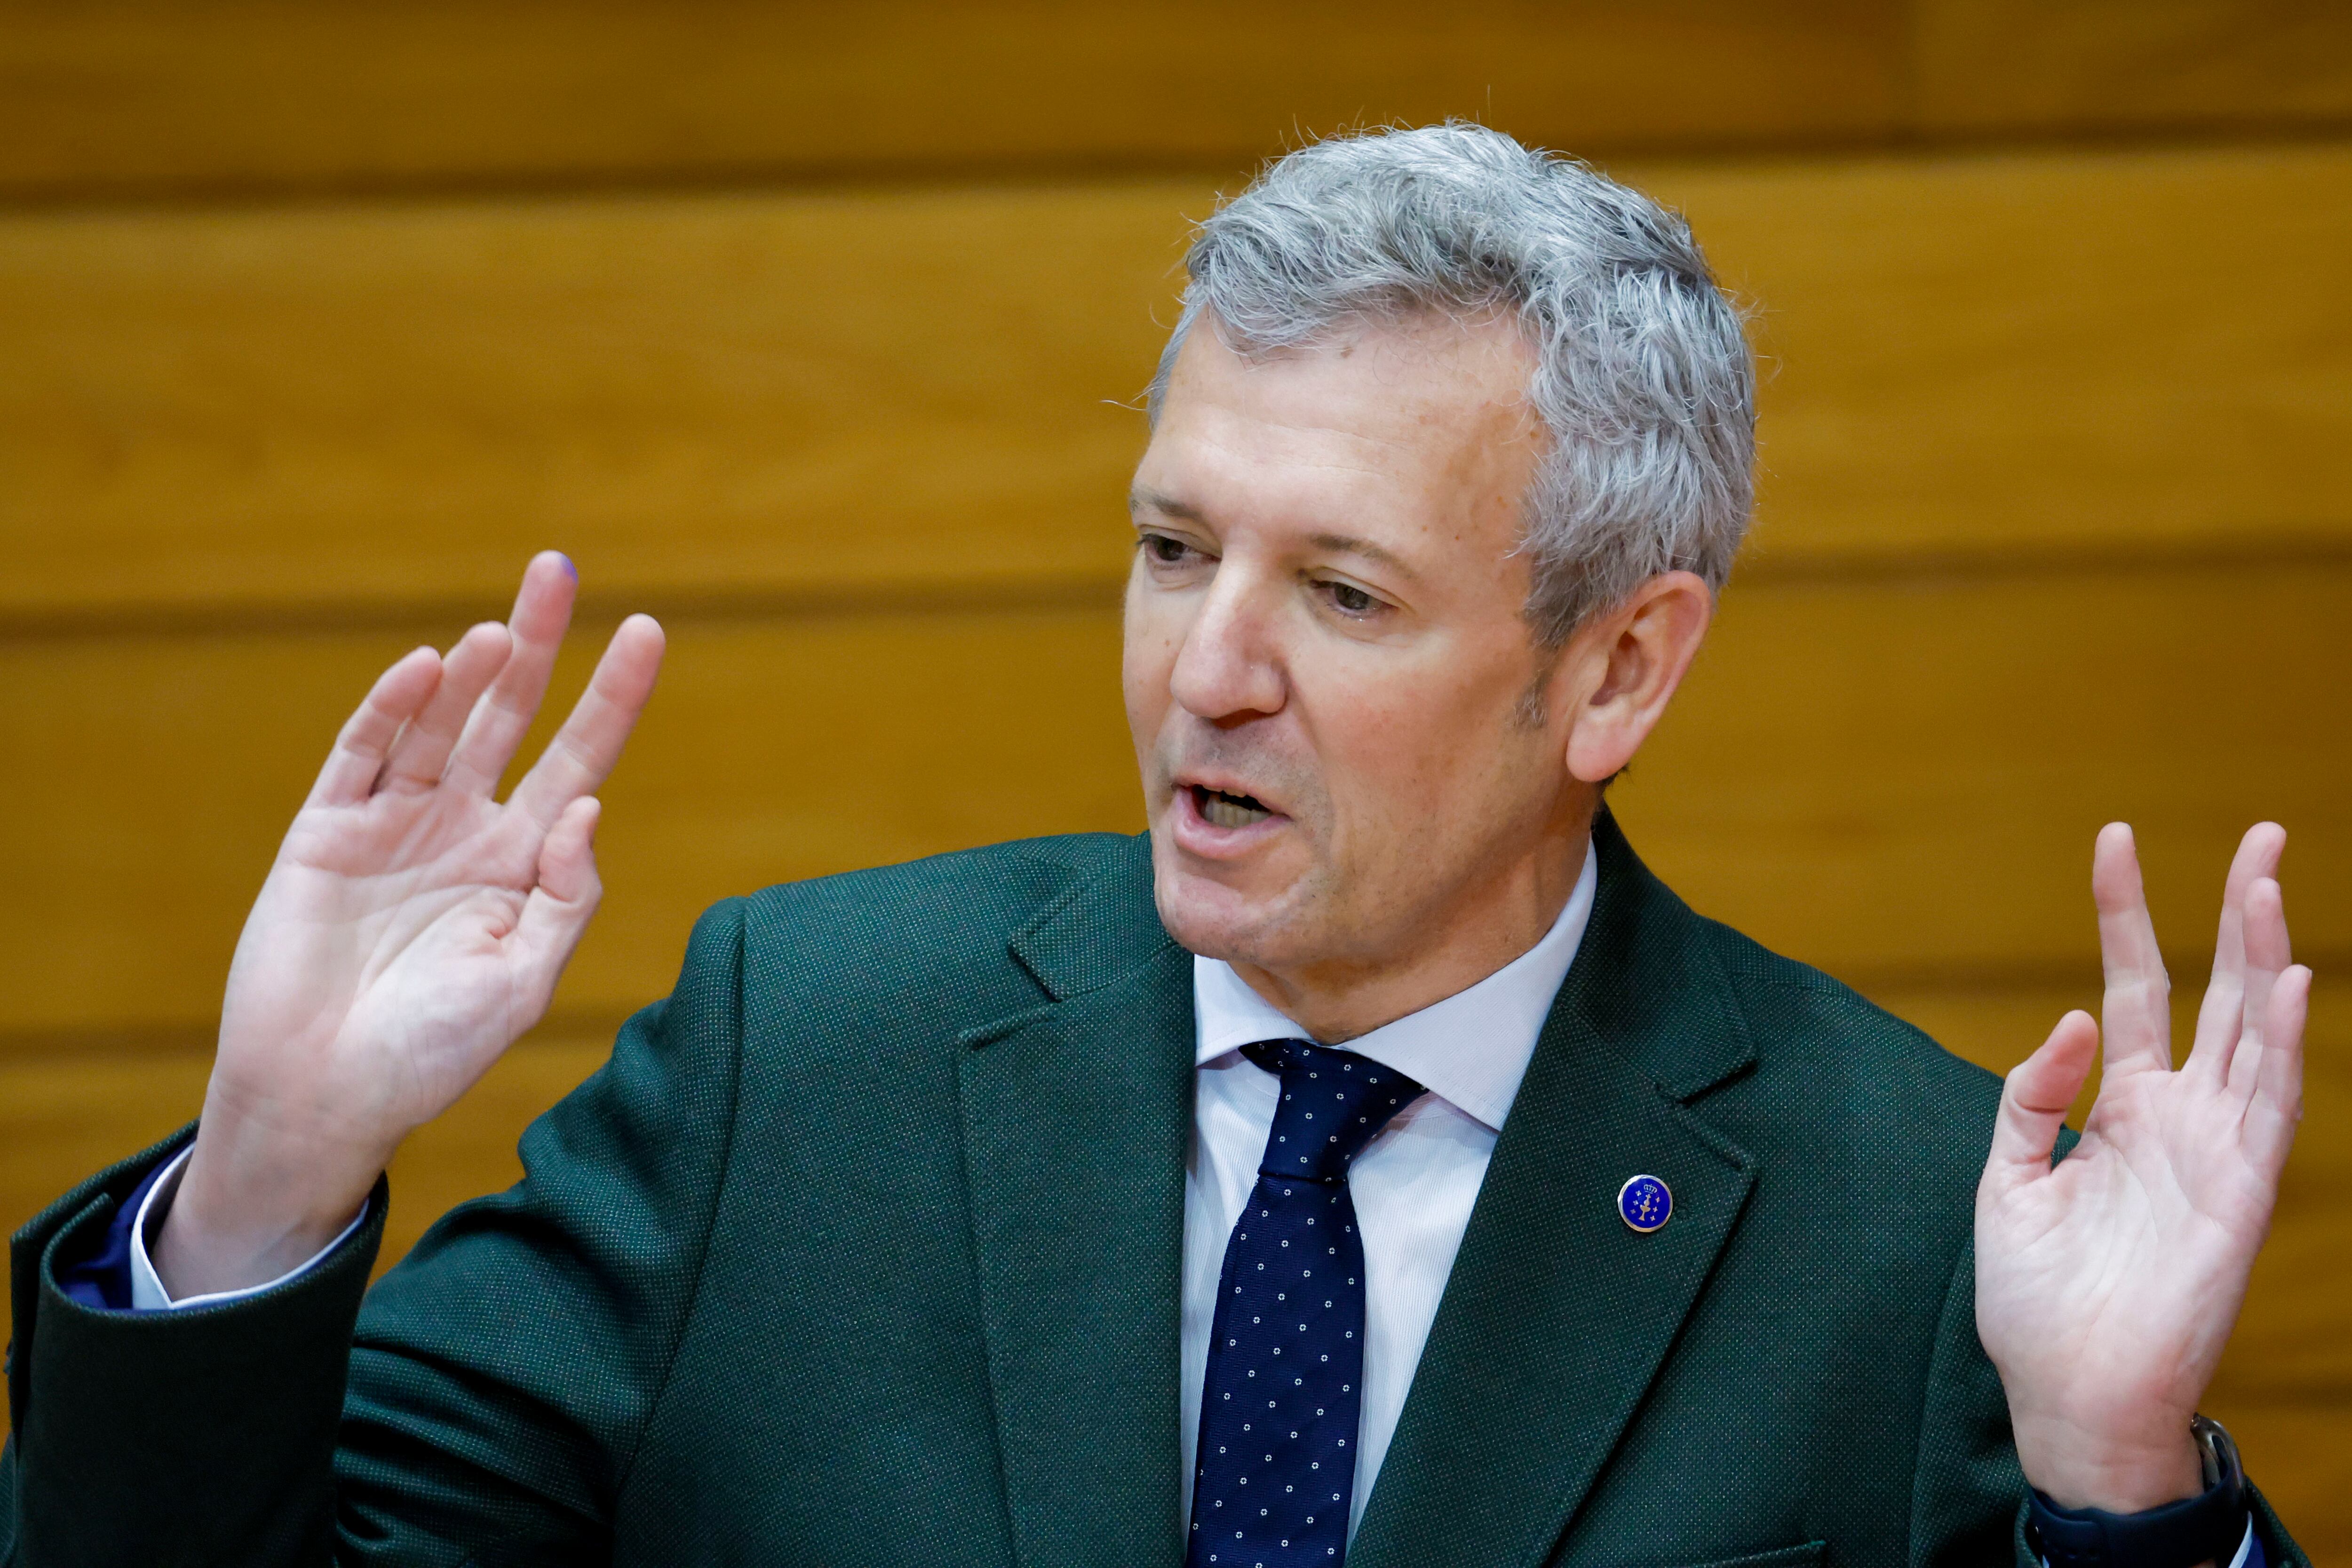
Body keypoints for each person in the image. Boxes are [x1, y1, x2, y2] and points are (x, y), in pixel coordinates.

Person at [0, 124, 2311, 1568]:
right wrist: (265, 1189)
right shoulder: (798, 1060)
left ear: (1616, 669)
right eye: (1169, 547)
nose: (1205, 671)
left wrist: (2116, 1488)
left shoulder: (1903, 1217)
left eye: (1338, 592)